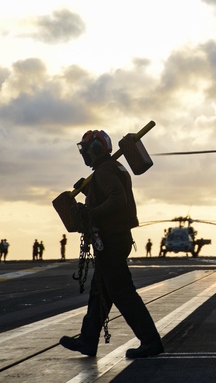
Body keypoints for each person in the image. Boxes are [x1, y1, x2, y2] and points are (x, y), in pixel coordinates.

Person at [59, 129, 163, 359]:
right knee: (100, 292)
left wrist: (91, 214)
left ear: (95, 150)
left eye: (86, 149)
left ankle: (150, 341)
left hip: (111, 240)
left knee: (123, 293)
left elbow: (117, 199)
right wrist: (90, 190)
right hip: (118, 238)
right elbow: (113, 194)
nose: (84, 154)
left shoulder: (104, 171)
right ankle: (88, 340)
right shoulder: (113, 168)